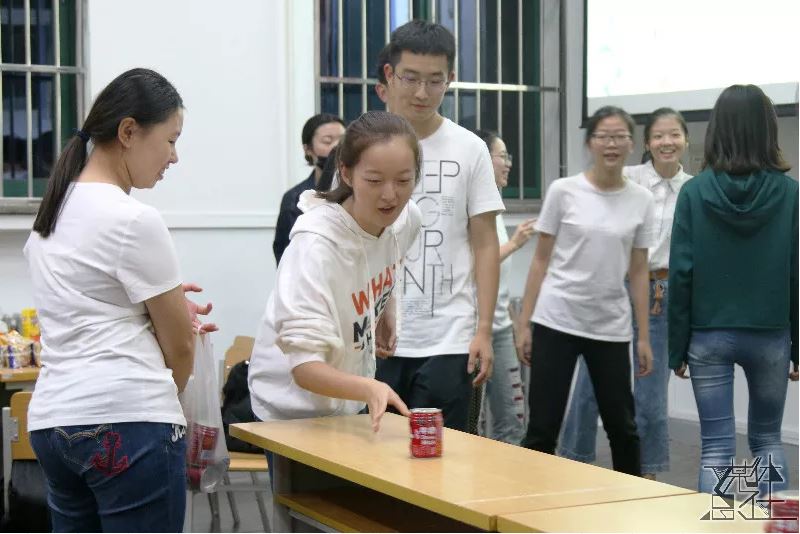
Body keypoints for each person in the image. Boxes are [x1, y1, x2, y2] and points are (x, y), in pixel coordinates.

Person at [24, 68, 217, 532]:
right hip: (128, 422)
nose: (174, 157)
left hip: (53, 424)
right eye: (170, 140)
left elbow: (91, 305)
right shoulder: (133, 219)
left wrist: (158, 310)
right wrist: (161, 403)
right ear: (128, 132)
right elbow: (180, 348)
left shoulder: (52, 212)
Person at [248, 111, 423, 434]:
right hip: (291, 412)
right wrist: (370, 388)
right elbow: (305, 368)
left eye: (403, 180)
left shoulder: (406, 218)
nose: (390, 195)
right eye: (374, 181)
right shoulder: (315, 248)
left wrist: (386, 308)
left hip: (348, 402)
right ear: (346, 173)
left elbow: (389, 257)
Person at [373, 20, 504, 432]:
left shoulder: (470, 149)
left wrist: (484, 330)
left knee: (442, 457)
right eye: (410, 78)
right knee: (372, 457)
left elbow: (485, 244)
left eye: (435, 81)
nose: (421, 93)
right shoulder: (364, 144)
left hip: (449, 337)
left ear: (450, 78)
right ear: (390, 75)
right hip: (373, 338)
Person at [668, 84, 798, 495]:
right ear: (767, 129)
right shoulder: (790, 193)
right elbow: (796, 274)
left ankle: (725, 522)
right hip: (771, 335)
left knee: (716, 448)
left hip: (709, 336)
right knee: (767, 440)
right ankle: (772, 522)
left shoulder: (693, 192)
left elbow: (681, 274)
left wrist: (676, 347)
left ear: (717, 130)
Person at [515, 105, 655, 476]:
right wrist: (524, 324)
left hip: (610, 326)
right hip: (557, 319)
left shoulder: (641, 199)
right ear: (590, 142)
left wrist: (643, 337)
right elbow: (540, 260)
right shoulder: (564, 191)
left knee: (623, 428)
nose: (612, 144)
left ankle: (631, 501)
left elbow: (639, 270)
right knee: (542, 427)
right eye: (603, 137)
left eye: (620, 137)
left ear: (631, 144)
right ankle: (530, 501)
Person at [558, 108, 692, 479]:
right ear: (646, 142)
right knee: (591, 379)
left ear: (685, 140)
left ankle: (645, 471)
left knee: (651, 389)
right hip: (613, 285)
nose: (666, 142)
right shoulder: (628, 178)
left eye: (674, 135)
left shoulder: (693, 189)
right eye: (659, 136)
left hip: (662, 292)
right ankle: (574, 458)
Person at [474, 129, 535, 444]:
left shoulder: (495, 207)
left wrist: (514, 324)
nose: (508, 163)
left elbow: (500, 282)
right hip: (474, 331)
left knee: (513, 419)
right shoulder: (472, 206)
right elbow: (474, 264)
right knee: (474, 422)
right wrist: (514, 244)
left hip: (500, 329)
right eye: (503, 156)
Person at [273, 113, 346, 264]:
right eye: (327, 141)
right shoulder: (294, 199)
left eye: (342, 140)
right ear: (308, 149)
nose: (337, 147)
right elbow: (286, 257)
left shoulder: (358, 192)